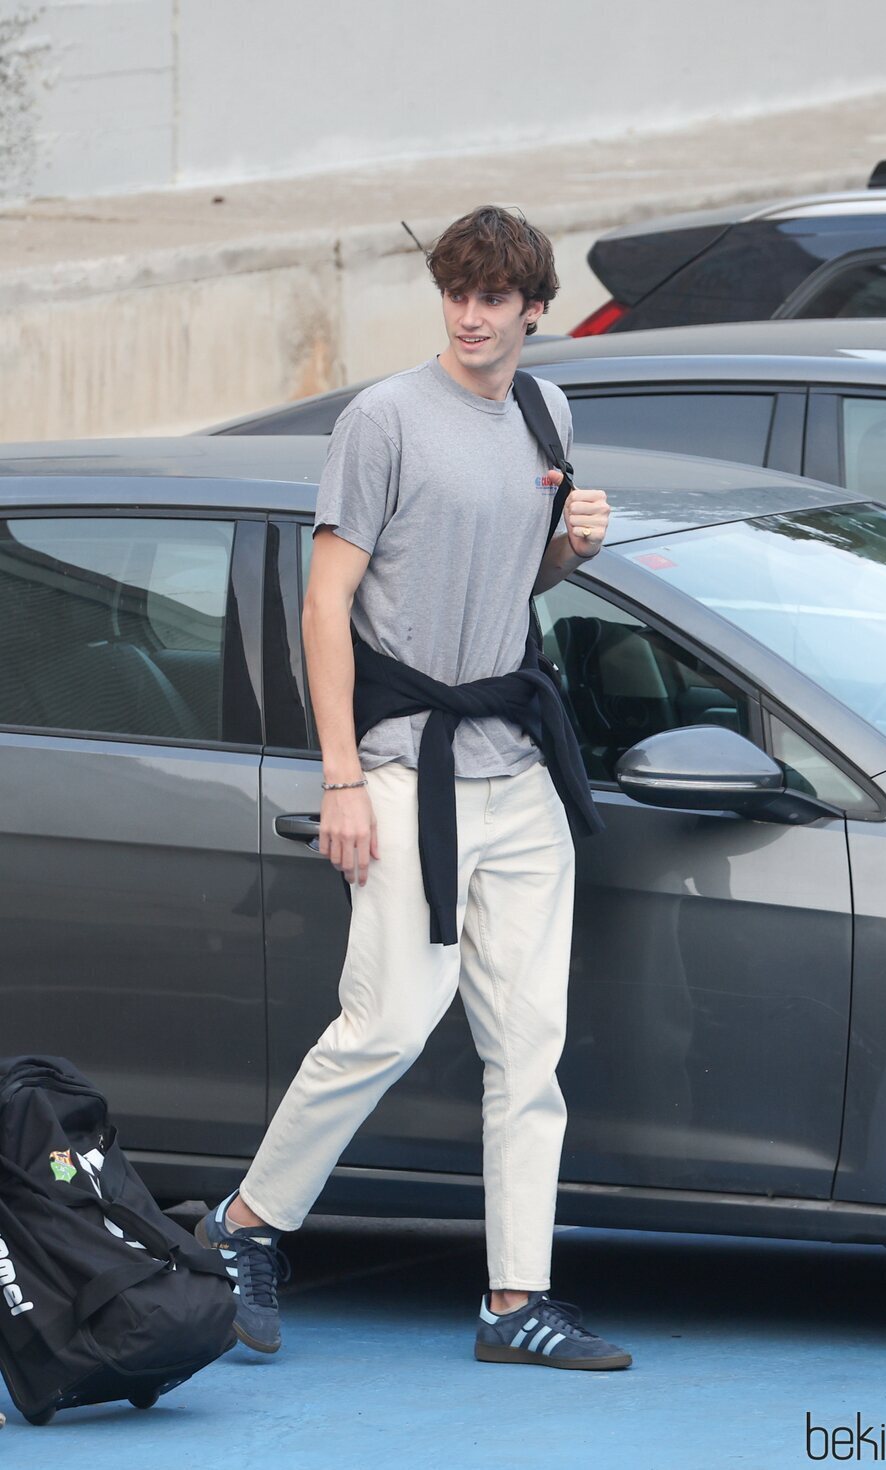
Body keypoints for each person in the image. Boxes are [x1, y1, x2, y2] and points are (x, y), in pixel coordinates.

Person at [196, 205, 631, 1371]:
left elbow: (511, 574)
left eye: (495, 297)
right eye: (456, 292)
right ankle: (244, 1225)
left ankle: (513, 1302)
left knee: (528, 1051)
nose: (472, 315)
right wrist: (341, 775)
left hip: (517, 771)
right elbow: (322, 603)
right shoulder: (383, 420)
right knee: (385, 1021)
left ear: (534, 308)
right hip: (403, 768)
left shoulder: (545, 410)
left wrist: (567, 552)